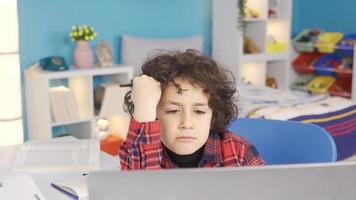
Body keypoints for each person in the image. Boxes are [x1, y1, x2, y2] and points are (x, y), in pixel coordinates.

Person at [119, 49, 265, 170]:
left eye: (199, 112)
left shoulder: (238, 151)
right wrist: (144, 110)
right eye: (172, 111)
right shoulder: (136, 151)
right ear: (154, 115)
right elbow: (140, 190)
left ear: (213, 114)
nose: (186, 123)